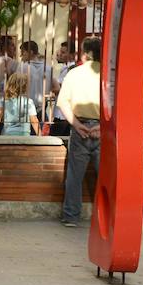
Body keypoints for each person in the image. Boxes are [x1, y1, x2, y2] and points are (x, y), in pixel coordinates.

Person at [57, 37, 103, 227]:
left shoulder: (73, 74)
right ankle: (106, 217)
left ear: (84, 53)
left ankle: (71, 216)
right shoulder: (109, 74)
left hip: (80, 129)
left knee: (75, 176)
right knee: (106, 178)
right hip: (102, 130)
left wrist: (76, 124)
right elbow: (117, 105)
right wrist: (102, 127)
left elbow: (62, 102)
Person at [0, 71, 40, 136]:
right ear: (24, 87)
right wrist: (40, 135)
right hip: (24, 135)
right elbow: (34, 120)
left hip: (7, 134)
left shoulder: (3, 101)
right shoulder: (28, 102)